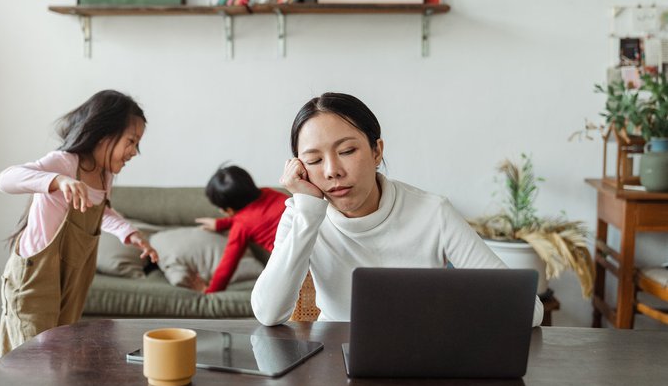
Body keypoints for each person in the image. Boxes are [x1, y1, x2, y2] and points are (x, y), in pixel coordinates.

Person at [251, 92, 544, 326]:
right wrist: (308, 211)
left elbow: (528, 311)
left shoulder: (433, 213)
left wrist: (446, 314)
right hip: (334, 361)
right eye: (314, 160)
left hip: (422, 357)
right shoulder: (303, 214)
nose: (332, 171)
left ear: (377, 151)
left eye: (347, 151)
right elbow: (268, 313)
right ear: (299, 168)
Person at [0, 89, 159, 356]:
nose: (134, 152)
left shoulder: (105, 176)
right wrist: (57, 180)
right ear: (104, 135)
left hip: (72, 280)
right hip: (34, 278)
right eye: (131, 141)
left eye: (137, 144)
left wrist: (131, 234)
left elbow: (100, 212)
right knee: (31, 358)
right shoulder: (63, 163)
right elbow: (4, 179)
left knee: (59, 353)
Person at [193, 165, 288, 294]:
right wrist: (221, 224)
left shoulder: (241, 226)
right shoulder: (269, 192)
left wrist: (211, 291)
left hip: (292, 263)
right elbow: (257, 215)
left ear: (229, 210)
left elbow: (227, 265)